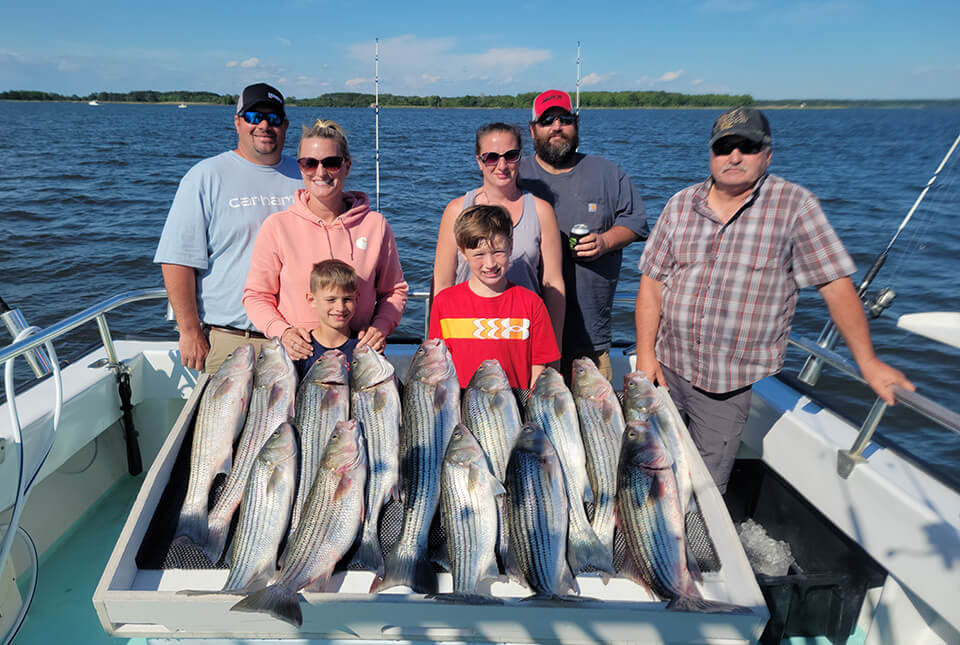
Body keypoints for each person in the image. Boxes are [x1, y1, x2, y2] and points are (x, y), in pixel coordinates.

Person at [635, 105, 915, 493]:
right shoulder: (681, 204)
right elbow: (652, 282)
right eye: (724, 147)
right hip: (666, 367)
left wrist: (867, 362)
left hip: (726, 384)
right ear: (711, 153)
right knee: (648, 474)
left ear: (768, 155)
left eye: (747, 147)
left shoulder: (795, 206)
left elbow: (834, 284)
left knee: (704, 488)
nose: (734, 156)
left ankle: (694, 548)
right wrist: (645, 354)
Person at [154, 82, 302, 373]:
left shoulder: (308, 174)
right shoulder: (205, 176)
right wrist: (189, 331)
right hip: (232, 340)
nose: (263, 125)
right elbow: (177, 260)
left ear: (284, 125)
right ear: (237, 122)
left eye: (273, 119)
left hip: (297, 342)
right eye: (253, 117)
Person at [242, 119, 407, 360]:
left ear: (346, 166)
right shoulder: (277, 226)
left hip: (359, 357)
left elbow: (394, 291)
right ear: (300, 167)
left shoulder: (376, 225)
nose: (320, 172)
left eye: (331, 163)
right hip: (295, 359)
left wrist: (380, 328)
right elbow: (256, 296)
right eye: (309, 163)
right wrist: (283, 332)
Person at [518, 89, 648, 381]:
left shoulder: (607, 173)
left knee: (594, 422)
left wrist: (605, 242)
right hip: (526, 334)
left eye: (564, 119)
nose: (556, 127)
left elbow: (636, 222)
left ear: (575, 125)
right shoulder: (515, 174)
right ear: (532, 129)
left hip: (590, 336)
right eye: (547, 120)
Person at [433, 122, 565, 344]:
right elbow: (443, 283)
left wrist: (554, 346)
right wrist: (438, 345)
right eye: (491, 157)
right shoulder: (456, 210)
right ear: (479, 161)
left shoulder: (542, 211)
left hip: (522, 336)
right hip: (466, 335)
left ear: (520, 157)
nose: (502, 165)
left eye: (511, 155)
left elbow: (553, 283)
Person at [429, 205, 560, 389]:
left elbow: (539, 371)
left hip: (515, 412)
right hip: (461, 411)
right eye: (479, 255)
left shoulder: (532, 304)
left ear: (511, 246)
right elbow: (436, 367)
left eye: (498, 252)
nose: (489, 264)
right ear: (463, 252)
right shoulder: (444, 303)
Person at [294, 260, 360, 380]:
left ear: (357, 299)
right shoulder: (302, 350)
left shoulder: (364, 350)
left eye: (347, 299)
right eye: (331, 300)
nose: (340, 308)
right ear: (311, 300)